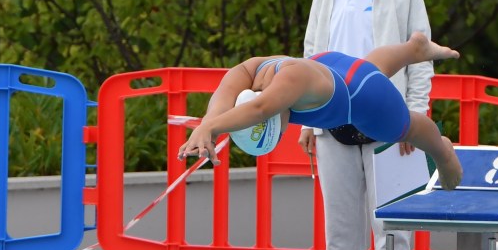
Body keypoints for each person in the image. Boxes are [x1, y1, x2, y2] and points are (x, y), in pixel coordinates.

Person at [299, 0, 435, 250]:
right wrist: (306, 119)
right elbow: (311, 54)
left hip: (391, 121)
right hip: (333, 118)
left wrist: (415, 116)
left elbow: (420, 56)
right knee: (340, 234)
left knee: (393, 230)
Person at [178, 32, 462, 194]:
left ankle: (443, 151)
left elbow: (259, 109)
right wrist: (207, 124)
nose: (284, 132)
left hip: (365, 98)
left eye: (278, 133)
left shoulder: (287, 84)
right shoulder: (250, 71)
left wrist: (212, 128)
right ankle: (414, 48)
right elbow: (225, 94)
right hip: (336, 66)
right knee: (370, 68)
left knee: (405, 128)